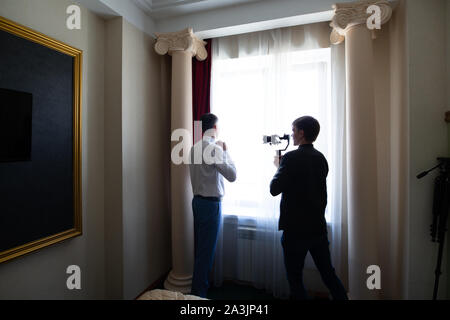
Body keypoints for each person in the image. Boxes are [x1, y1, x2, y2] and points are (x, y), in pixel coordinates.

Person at [270, 116, 348, 300]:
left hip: (295, 230)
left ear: (301, 133)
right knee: (328, 274)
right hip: (317, 227)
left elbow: (274, 189)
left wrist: (278, 167)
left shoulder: (289, 158)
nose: (292, 134)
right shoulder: (321, 159)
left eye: (294, 130)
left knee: (295, 278)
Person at [189, 113, 237, 298]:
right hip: (210, 205)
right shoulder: (214, 149)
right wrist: (225, 150)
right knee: (206, 253)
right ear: (215, 129)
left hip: (197, 202)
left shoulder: (193, 148)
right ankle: (198, 295)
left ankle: (197, 291)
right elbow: (232, 175)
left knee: (201, 249)